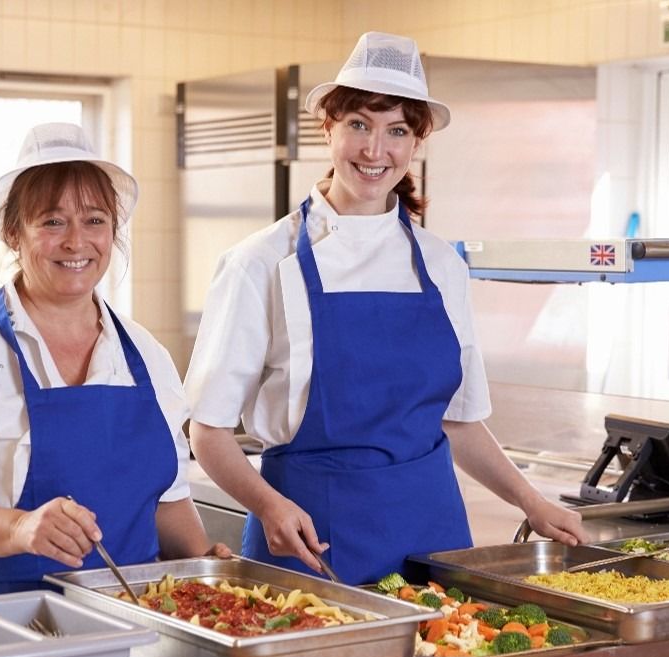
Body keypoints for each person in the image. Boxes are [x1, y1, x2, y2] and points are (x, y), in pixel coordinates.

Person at [185, 32, 586, 585]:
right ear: (327, 127)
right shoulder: (260, 262)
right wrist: (269, 506)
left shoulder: (441, 264)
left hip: (433, 538)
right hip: (309, 541)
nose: (376, 151)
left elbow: (461, 424)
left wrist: (532, 502)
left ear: (417, 141)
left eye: (397, 130)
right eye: (359, 125)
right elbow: (207, 434)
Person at [0, 122, 229, 602]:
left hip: (131, 619)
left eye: (94, 220)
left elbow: (167, 500)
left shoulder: (146, 354)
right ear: (12, 233)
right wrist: (18, 528)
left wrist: (207, 571)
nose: (76, 241)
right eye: (52, 221)